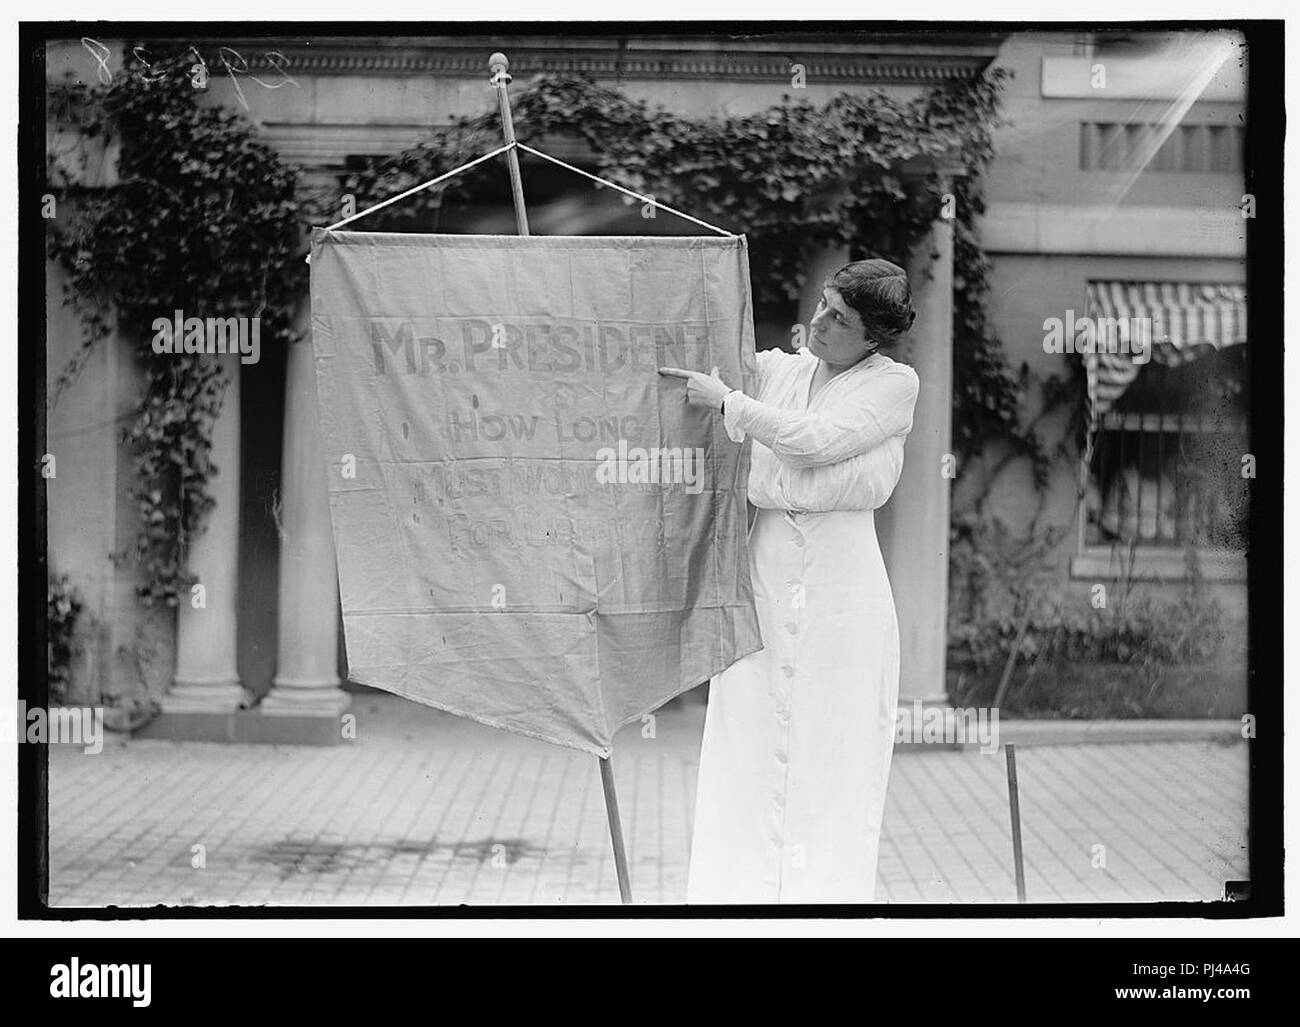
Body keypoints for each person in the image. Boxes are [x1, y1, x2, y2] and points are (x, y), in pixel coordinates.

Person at [659, 257, 919, 903]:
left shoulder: (894, 384)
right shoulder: (781, 370)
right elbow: (709, 364)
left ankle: (823, 905)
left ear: (873, 337)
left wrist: (737, 410)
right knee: (747, 743)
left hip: (843, 584)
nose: (820, 322)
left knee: (835, 753)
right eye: (824, 305)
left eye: (840, 318)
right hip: (768, 569)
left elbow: (813, 443)